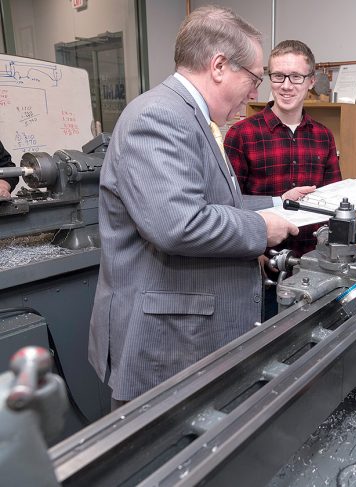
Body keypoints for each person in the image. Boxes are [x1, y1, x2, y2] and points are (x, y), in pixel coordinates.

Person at [88, 6, 299, 408]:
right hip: (166, 340)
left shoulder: (193, 119)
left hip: (189, 333)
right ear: (219, 66)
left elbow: (211, 200)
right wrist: (260, 230)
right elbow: (179, 223)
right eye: (254, 78)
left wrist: (279, 204)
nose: (256, 93)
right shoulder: (159, 117)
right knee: (156, 461)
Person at [224, 40, 342, 319]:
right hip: (260, 267)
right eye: (278, 76)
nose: (286, 85)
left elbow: (333, 201)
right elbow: (228, 204)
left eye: (296, 77)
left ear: (311, 80)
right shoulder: (241, 135)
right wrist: (254, 253)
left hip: (312, 266)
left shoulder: (323, 136)